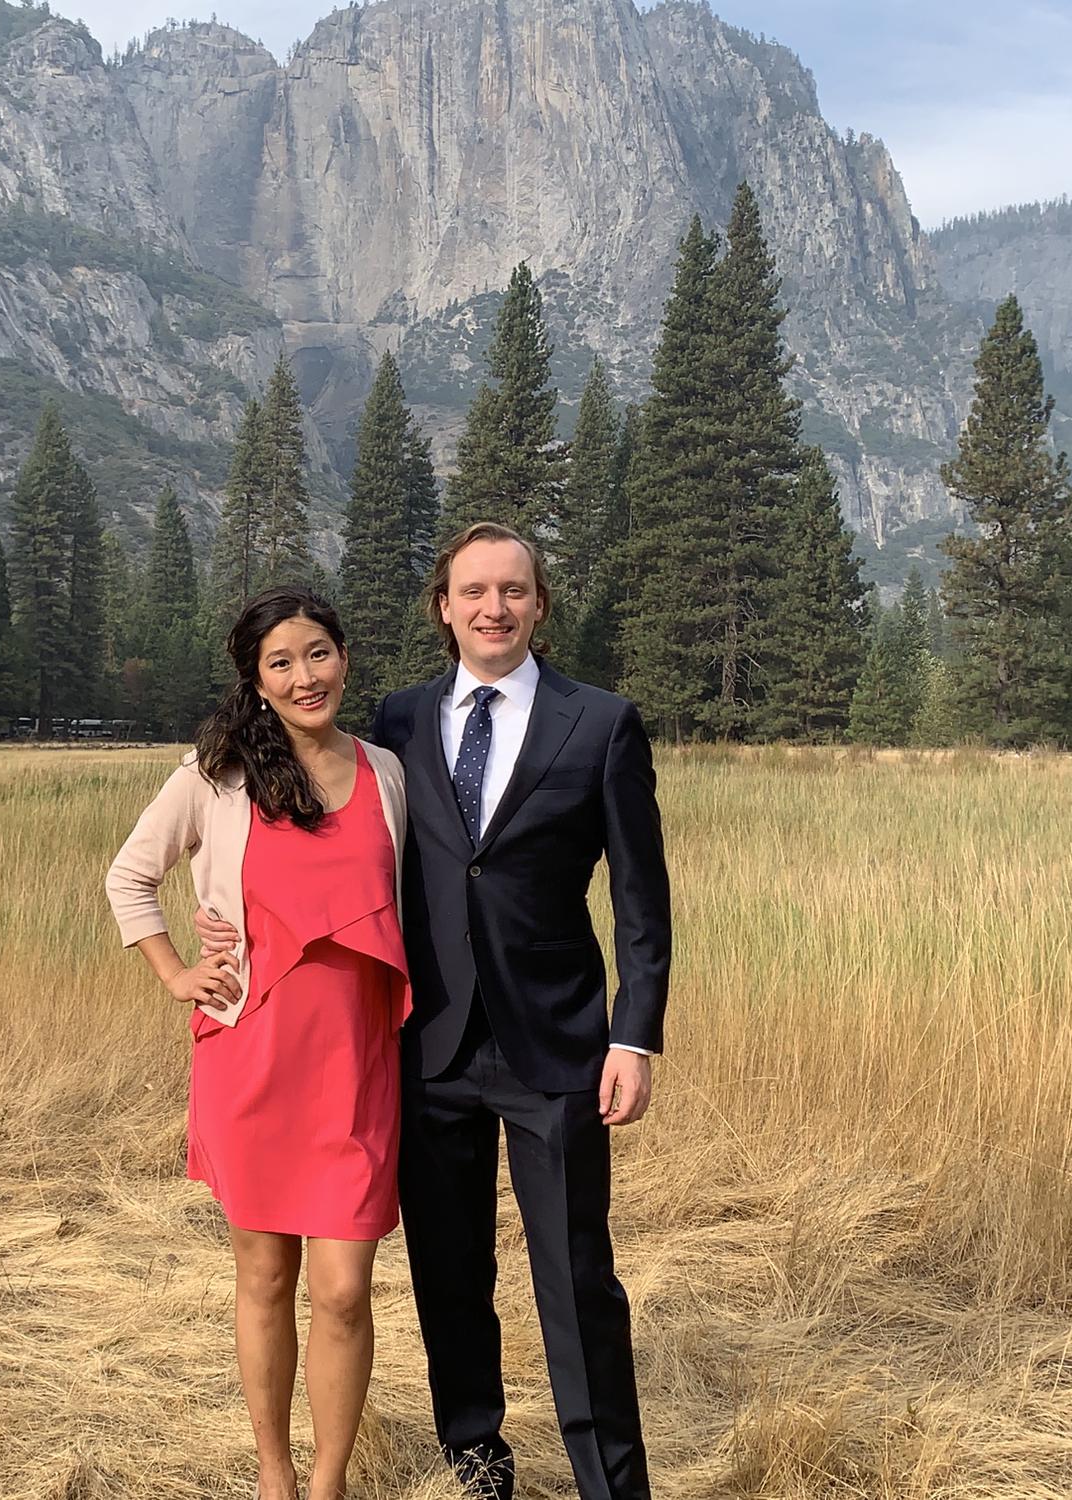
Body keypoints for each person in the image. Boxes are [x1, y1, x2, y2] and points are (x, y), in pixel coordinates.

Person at [199, 522, 671, 1500]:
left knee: (575, 1281)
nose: (491, 608)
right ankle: (475, 1454)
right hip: (424, 1042)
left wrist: (633, 1033)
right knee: (448, 1275)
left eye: (511, 590)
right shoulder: (399, 723)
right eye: (472, 592)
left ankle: (608, 1483)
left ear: (538, 604)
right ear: (442, 608)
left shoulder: (601, 724)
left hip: (558, 1046)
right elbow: (306, 840)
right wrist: (221, 929)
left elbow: (639, 898)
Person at [104, 586, 412, 1500]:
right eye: (281, 662)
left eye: (318, 654)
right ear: (257, 679)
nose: (304, 675)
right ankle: (277, 1476)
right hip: (253, 1055)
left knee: (345, 1288)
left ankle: (330, 1482)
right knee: (266, 1275)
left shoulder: (388, 772)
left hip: (358, 1067)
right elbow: (130, 876)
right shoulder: (216, 774)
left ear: (344, 659)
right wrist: (173, 971)